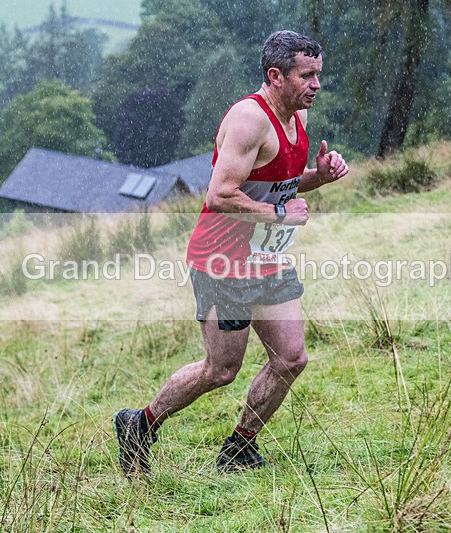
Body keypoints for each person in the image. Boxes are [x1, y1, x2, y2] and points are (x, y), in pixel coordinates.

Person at [114, 30, 349, 474]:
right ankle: (138, 425)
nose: (316, 85)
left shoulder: (296, 115)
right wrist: (280, 215)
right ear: (275, 75)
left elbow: (277, 183)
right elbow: (220, 194)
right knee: (221, 369)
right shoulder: (249, 119)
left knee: (291, 358)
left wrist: (318, 176)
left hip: (266, 257)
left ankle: (239, 448)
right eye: (307, 75)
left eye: (318, 74)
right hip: (221, 260)